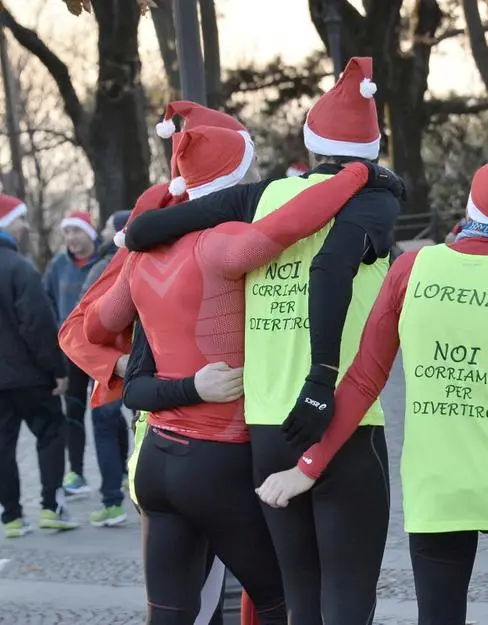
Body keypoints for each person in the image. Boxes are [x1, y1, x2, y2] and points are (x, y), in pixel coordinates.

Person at [257, 139, 488, 625]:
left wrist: (307, 467)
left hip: (437, 488)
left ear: (471, 208)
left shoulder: (413, 268)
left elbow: (362, 379)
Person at [83, 118, 401, 625]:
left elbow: (97, 325)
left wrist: (152, 359)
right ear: (236, 174)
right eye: (249, 165)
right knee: (285, 600)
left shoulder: (142, 259)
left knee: (172, 612)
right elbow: (289, 227)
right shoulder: (226, 241)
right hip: (220, 456)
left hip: (156, 462)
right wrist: (357, 178)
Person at [59, 101, 261, 625]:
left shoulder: (201, 227)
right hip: (182, 439)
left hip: (217, 447)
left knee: (205, 601)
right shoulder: (154, 232)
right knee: (214, 602)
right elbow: (83, 329)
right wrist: (141, 370)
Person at [0, 195, 80, 537]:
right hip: (31, 376)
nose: (25, 226)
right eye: (20, 219)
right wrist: (57, 370)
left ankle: (12, 516)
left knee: (1, 445)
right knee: (51, 433)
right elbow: (36, 323)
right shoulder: (20, 268)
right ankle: (51, 507)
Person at [80, 209, 132, 526]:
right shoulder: (152, 259)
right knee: (136, 425)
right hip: (146, 363)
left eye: (106, 228)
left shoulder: (104, 268)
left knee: (104, 429)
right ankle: (131, 479)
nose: (100, 232)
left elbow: (84, 318)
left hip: (108, 365)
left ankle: (112, 500)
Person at [44, 210, 102, 496]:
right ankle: (76, 472)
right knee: (74, 411)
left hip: (102, 349)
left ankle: (120, 466)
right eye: (67, 232)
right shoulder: (57, 266)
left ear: (89, 234)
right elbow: (47, 303)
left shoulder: (104, 262)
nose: (71, 238)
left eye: (76, 231)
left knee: (107, 411)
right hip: (70, 351)